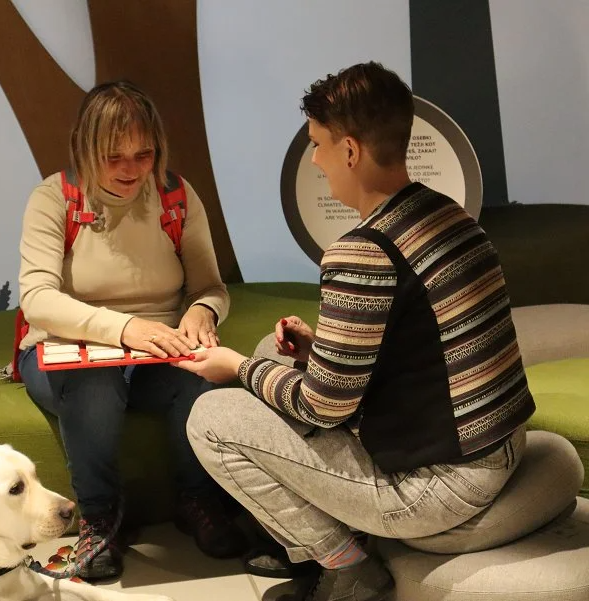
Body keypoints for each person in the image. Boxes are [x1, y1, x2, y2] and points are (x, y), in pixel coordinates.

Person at [177, 62, 535, 601]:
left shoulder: (362, 251)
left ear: (349, 151)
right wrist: (315, 351)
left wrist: (236, 368)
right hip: (497, 443)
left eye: (317, 145)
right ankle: (317, 540)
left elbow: (325, 408)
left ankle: (348, 570)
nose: (315, 160)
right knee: (272, 352)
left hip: (442, 486)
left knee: (210, 417)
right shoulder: (450, 216)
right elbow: (421, 347)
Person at [17, 80, 246, 580]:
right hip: (65, 351)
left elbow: (211, 287)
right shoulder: (53, 198)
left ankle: (198, 501)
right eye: (113, 156)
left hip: (155, 352)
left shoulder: (176, 195)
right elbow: (37, 299)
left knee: (202, 375)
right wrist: (124, 329)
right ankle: (99, 518)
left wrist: (202, 312)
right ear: (84, 147)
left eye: (144, 155)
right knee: (95, 385)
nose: (130, 169)